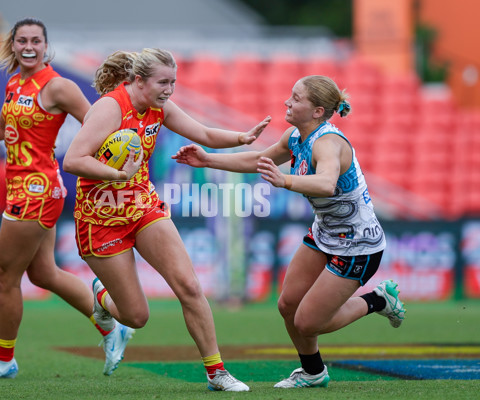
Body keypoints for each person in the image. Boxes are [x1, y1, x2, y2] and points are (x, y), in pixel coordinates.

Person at [172, 75, 406, 389]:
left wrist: (286, 181)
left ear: (318, 111)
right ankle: (313, 372)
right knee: (287, 305)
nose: (287, 102)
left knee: (308, 323)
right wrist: (207, 160)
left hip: (357, 245)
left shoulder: (329, 143)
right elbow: (259, 159)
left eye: (296, 98)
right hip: (325, 233)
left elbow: (326, 183)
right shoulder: (295, 136)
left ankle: (378, 300)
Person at [63, 48, 271, 392]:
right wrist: (116, 175)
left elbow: (202, 134)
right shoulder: (109, 108)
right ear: (139, 80)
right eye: (163, 82)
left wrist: (241, 137)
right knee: (136, 317)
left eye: (173, 82)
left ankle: (217, 372)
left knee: (189, 287)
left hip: (144, 207)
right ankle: (102, 299)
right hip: (99, 218)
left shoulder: (159, 107)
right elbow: (72, 159)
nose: (169, 89)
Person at [0, 17, 133, 379]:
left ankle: (4, 360)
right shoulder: (16, 82)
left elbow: (98, 123)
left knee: (4, 276)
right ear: (13, 45)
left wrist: (108, 165)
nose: (28, 46)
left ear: (45, 46)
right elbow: (3, 130)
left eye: (35, 40)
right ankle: (110, 321)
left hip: (36, 191)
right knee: (44, 273)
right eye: (22, 40)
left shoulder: (57, 86)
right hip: (22, 187)